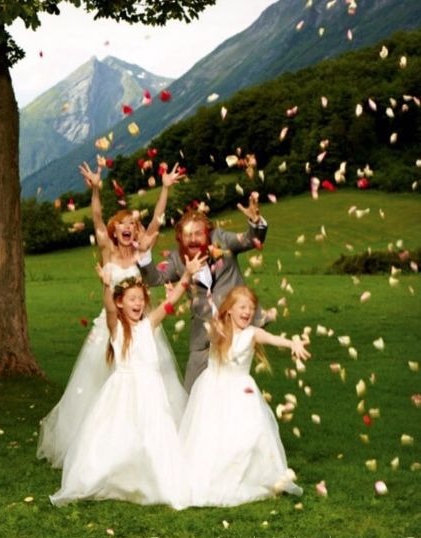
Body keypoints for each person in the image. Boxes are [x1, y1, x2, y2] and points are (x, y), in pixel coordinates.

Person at [37, 161, 185, 468]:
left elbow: (156, 221)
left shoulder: (141, 252)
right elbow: (96, 218)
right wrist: (95, 190)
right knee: (104, 385)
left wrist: (165, 188)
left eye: (132, 223)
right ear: (115, 230)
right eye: (122, 224)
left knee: (149, 382)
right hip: (112, 328)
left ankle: (151, 445)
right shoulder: (107, 251)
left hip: (142, 329)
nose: (128, 227)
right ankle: (98, 445)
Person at [50, 251, 206, 508]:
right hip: (123, 391)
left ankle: (152, 478)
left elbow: (171, 301)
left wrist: (187, 275)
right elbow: (109, 308)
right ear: (121, 302)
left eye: (141, 299)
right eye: (132, 299)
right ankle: (117, 474)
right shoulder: (117, 328)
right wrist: (107, 286)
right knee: (119, 432)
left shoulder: (149, 325)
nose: (138, 304)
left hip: (151, 391)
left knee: (153, 434)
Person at [178, 285, 311, 508]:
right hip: (213, 389)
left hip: (241, 391)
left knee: (248, 433)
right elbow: (204, 312)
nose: (248, 312)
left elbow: (272, 338)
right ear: (229, 309)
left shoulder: (252, 333)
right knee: (211, 433)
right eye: (242, 307)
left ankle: (244, 475)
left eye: (251, 308)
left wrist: (292, 343)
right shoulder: (219, 329)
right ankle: (212, 475)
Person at [139, 192, 268, 391]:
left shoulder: (221, 239)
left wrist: (255, 223)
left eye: (198, 233)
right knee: (192, 389)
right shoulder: (177, 258)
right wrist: (144, 255)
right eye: (187, 235)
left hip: (236, 327)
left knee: (233, 386)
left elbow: (250, 240)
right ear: (180, 237)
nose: (193, 239)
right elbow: (155, 278)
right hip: (203, 333)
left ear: (208, 233)